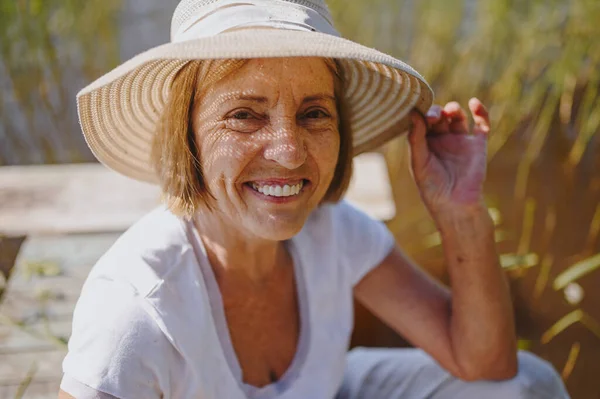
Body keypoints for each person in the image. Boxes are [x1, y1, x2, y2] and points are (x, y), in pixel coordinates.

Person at [59, 0, 571, 398]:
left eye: (313, 114)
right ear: (186, 131)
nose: (288, 153)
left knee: (526, 383)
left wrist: (460, 211)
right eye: (245, 114)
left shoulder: (336, 231)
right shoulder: (135, 316)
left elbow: (486, 363)